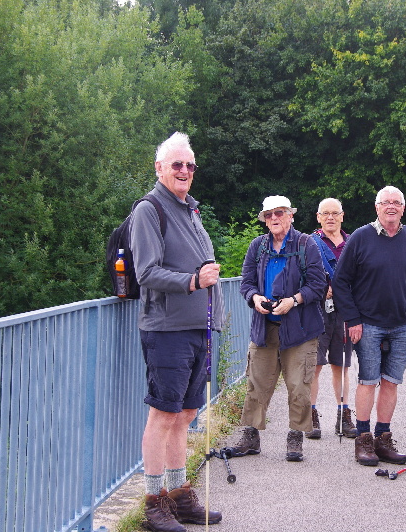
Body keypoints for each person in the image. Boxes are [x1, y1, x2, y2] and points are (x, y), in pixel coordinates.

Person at [131, 132, 224, 532]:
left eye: (190, 165)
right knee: (163, 414)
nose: (185, 171)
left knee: (185, 413)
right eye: (177, 165)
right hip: (166, 328)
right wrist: (193, 281)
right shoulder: (150, 210)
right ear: (159, 168)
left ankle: (178, 492)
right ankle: (154, 502)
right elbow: (146, 272)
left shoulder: (190, 210)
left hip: (196, 327)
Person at [331, 186, 406, 467]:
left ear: (403, 208)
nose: (391, 207)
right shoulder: (361, 237)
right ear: (377, 207)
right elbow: (341, 281)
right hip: (368, 324)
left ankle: (383, 439)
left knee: (391, 381)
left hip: (400, 324)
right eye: (386, 203)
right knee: (368, 380)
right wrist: (353, 319)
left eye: (396, 203)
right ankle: (364, 439)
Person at [230, 195, 326, 462]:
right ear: (264, 219)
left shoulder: (307, 245)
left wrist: (293, 301)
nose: (274, 218)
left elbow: (318, 285)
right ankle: (250, 436)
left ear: (290, 216)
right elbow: (246, 283)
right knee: (256, 382)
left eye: (279, 213)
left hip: (301, 328)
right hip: (265, 327)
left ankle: (295, 436)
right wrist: (254, 298)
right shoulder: (257, 246)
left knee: (299, 385)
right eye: (269, 215)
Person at [305, 198, 358, 440]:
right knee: (314, 366)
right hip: (316, 311)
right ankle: (311, 416)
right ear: (318, 217)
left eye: (334, 213)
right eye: (325, 213)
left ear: (342, 216)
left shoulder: (352, 244)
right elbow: (300, 276)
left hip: (344, 311)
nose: (330, 218)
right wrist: (320, 288)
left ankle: (344, 416)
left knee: (342, 365)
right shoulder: (308, 243)